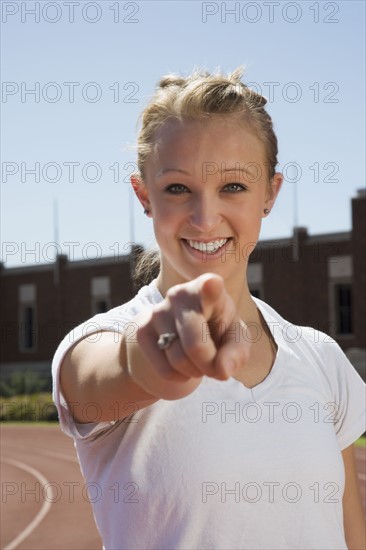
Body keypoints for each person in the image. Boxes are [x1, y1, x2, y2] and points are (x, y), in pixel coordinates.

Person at [52, 68, 366, 550]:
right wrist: (152, 357)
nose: (204, 218)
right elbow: (110, 369)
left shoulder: (322, 357)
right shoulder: (94, 345)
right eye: (178, 188)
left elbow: (350, 533)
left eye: (234, 187)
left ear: (270, 195)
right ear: (144, 196)